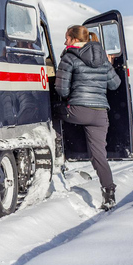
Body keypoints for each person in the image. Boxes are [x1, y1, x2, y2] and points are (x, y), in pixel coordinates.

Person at [55, 25, 121, 210]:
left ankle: (56, 152)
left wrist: (69, 97)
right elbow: (115, 84)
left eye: (67, 38)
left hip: (77, 111)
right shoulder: (101, 57)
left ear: (75, 40)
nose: (65, 42)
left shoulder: (69, 57)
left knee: (52, 112)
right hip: (100, 114)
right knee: (98, 155)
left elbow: (61, 89)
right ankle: (109, 194)